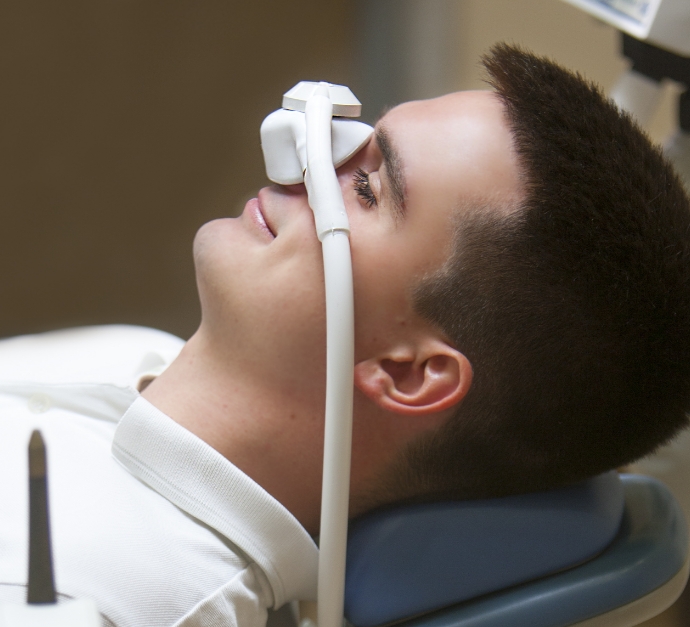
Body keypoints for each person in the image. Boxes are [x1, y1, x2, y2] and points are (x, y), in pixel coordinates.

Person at [1, 43, 690, 627]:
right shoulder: (133, 354)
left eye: (366, 187)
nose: (303, 162)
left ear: (408, 371)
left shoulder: (96, 598)